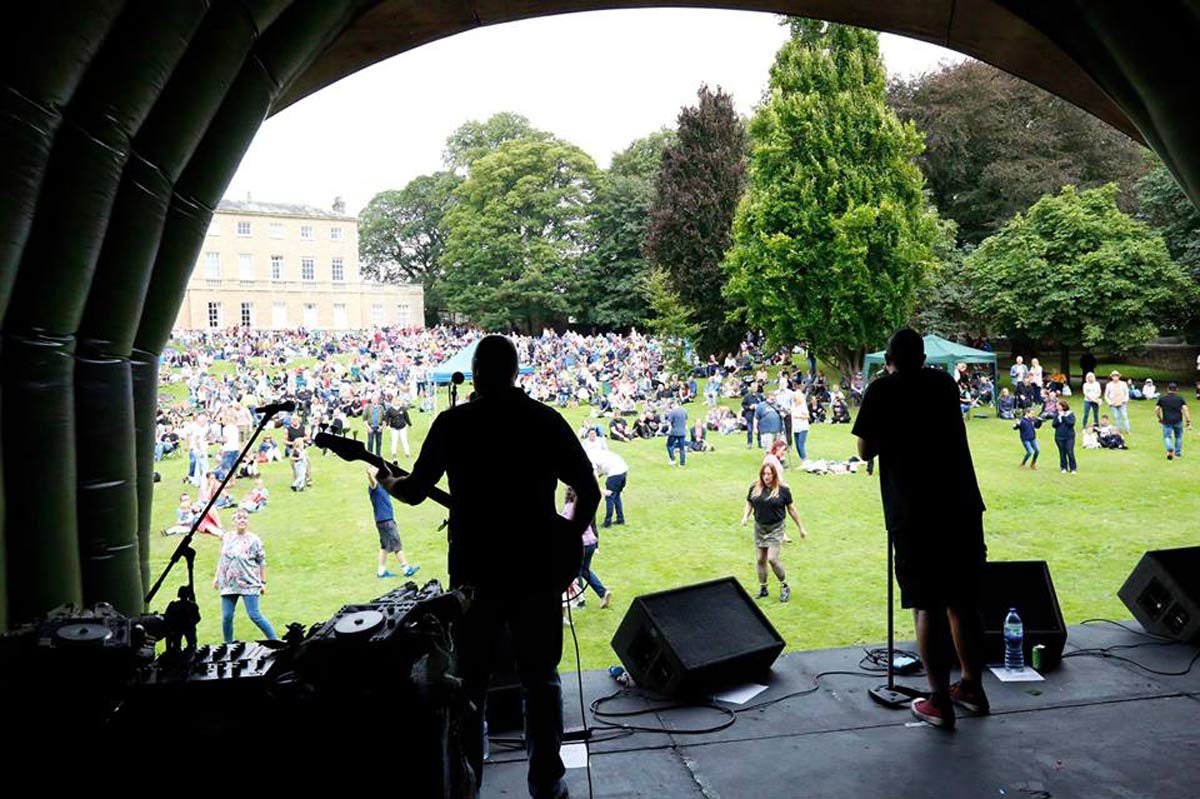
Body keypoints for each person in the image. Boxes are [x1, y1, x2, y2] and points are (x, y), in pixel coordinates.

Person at [379, 335, 600, 799]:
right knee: (541, 677)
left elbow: (416, 491)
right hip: (537, 566)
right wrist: (568, 540)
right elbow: (589, 489)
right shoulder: (545, 421)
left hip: (475, 572)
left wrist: (387, 480)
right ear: (516, 373)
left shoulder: (453, 423)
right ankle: (547, 781)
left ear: (475, 373)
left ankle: (467, 783)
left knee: (473, 681)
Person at [853, 328, 989, 730]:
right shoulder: (944, 383)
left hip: (916, 512)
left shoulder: (882, 390)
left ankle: (937, 700)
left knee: (926, 603)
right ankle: (971, 688)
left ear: (889, 359)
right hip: (961, 503)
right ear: (924, 355)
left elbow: (865, 448)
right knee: (962, 600)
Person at [740, 463, 807, 603]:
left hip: (776, 528)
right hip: (760, 527)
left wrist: (801, 528)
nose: (766, 477)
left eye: (769, 474)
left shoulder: (783, 490)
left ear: (774, 475)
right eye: (764, 474)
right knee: (760, 559)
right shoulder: (755, 487)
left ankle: (784, 586)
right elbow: (749, 502)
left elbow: (792, 509)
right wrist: (745, 516)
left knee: (772, 558)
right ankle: (763, 588)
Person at [212, 508, 277, 644]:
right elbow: (223, 559)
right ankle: (228, 644)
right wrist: (217, 577)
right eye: (239, 518)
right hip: (229, 583)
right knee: (227, 617)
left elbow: (262, 562)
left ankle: (275, 641)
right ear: (233, 521)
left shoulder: (254, 540)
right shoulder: (227, 537)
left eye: (245, 518)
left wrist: (263, 582)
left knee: (254, 615)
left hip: (249, 582)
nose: (242, 520)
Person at [562, 486, 612, 609]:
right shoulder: (586, 506)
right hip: (591, 543)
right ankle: (603, 592)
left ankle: (580, 601)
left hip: (581, 544)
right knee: (585, 570)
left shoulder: (569, 507)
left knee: (575, 571)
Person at [366, 465, 419, 578]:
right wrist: (370, 474)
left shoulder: (383, 485)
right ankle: (406, 569)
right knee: (397, 545)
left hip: (382, 521)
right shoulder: (374, 486)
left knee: (384, 547)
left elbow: (392, 479)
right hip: (386, 521)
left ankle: (381, 571)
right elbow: (372, 481)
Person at [591, 446, 628, 528]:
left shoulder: (590, 459)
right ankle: (620, 519)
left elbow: (595, 476)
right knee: (617, 496)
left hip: (615, 473)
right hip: (623, 471)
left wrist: (597, 488)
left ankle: (607, 523)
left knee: (609, 497)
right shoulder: (599, 454)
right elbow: (599, 472)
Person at [1155, 382, 1192, 460]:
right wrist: (1188, 421)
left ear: (1167, 389)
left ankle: (1169, 448)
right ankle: (1177, 454)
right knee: (1179, 437)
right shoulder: (1180, 398)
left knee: (1167, 436)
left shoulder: (1162, 399)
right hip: (1178, 420)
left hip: (1167, 421)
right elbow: (1185, 409)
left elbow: (1157, 409)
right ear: (1176, 390)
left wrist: (1159, 418)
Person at [1052, 399, 1078, 474]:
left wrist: (1063, 417)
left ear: (1063, 406)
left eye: (1058, 405)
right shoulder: (1057, 414)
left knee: (1070, 451)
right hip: (1059, 436)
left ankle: (1073, 468)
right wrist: (1058, 419)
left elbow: (1071, 423)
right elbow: (1054, 425)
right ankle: (1063, 467)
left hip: (1069, 436)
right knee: (1062, 452)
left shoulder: (1070, 414)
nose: (1057, 407)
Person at [1105, 370, 1132, 437]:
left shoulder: (1123, 384)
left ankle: (1128, 430)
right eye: (1113, 376)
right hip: (1113, 403)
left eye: (1116, 376)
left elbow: (1126, 393)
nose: (1115, 377)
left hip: (1122, 403)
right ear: (1112, 377)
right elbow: (1106, 395)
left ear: (1118, 377)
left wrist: (1124, 400)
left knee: (1124, 416)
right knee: (1116, 417)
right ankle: (1118, 430)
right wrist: (1110, 402)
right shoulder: (1109, 385)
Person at [665, 399, 688, 466]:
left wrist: (668, 430)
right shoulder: (684, 411)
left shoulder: (672, 412)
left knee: (669, 445)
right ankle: (682, 463)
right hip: (682, 432)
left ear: (672, 405)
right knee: (682, 448)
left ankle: (672, 459)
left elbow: (669, 423)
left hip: (674, 432)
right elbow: (686, 421)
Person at [791, 391, 810, 461]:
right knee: (797, 445)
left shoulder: (803, 406)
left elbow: (807, 416)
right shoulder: (793, 405)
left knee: (800, 444)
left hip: (803, 427)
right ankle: (801, 459)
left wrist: (798, 416)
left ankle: (805, 459)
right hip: (795, 427)